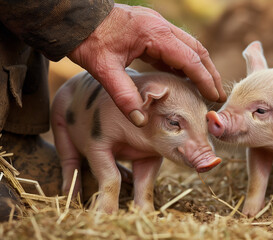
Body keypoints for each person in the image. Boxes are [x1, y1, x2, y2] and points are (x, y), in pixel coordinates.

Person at [0, 1, 226, 221]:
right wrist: (93, 22)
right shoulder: (118, 111)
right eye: (175, 124)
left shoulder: (157, 131)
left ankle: (143, 205)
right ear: (148, 101)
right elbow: (98, 144)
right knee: (80, 166)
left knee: (136, 173)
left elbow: (151, 155)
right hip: (74, 103)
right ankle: (71, 179)